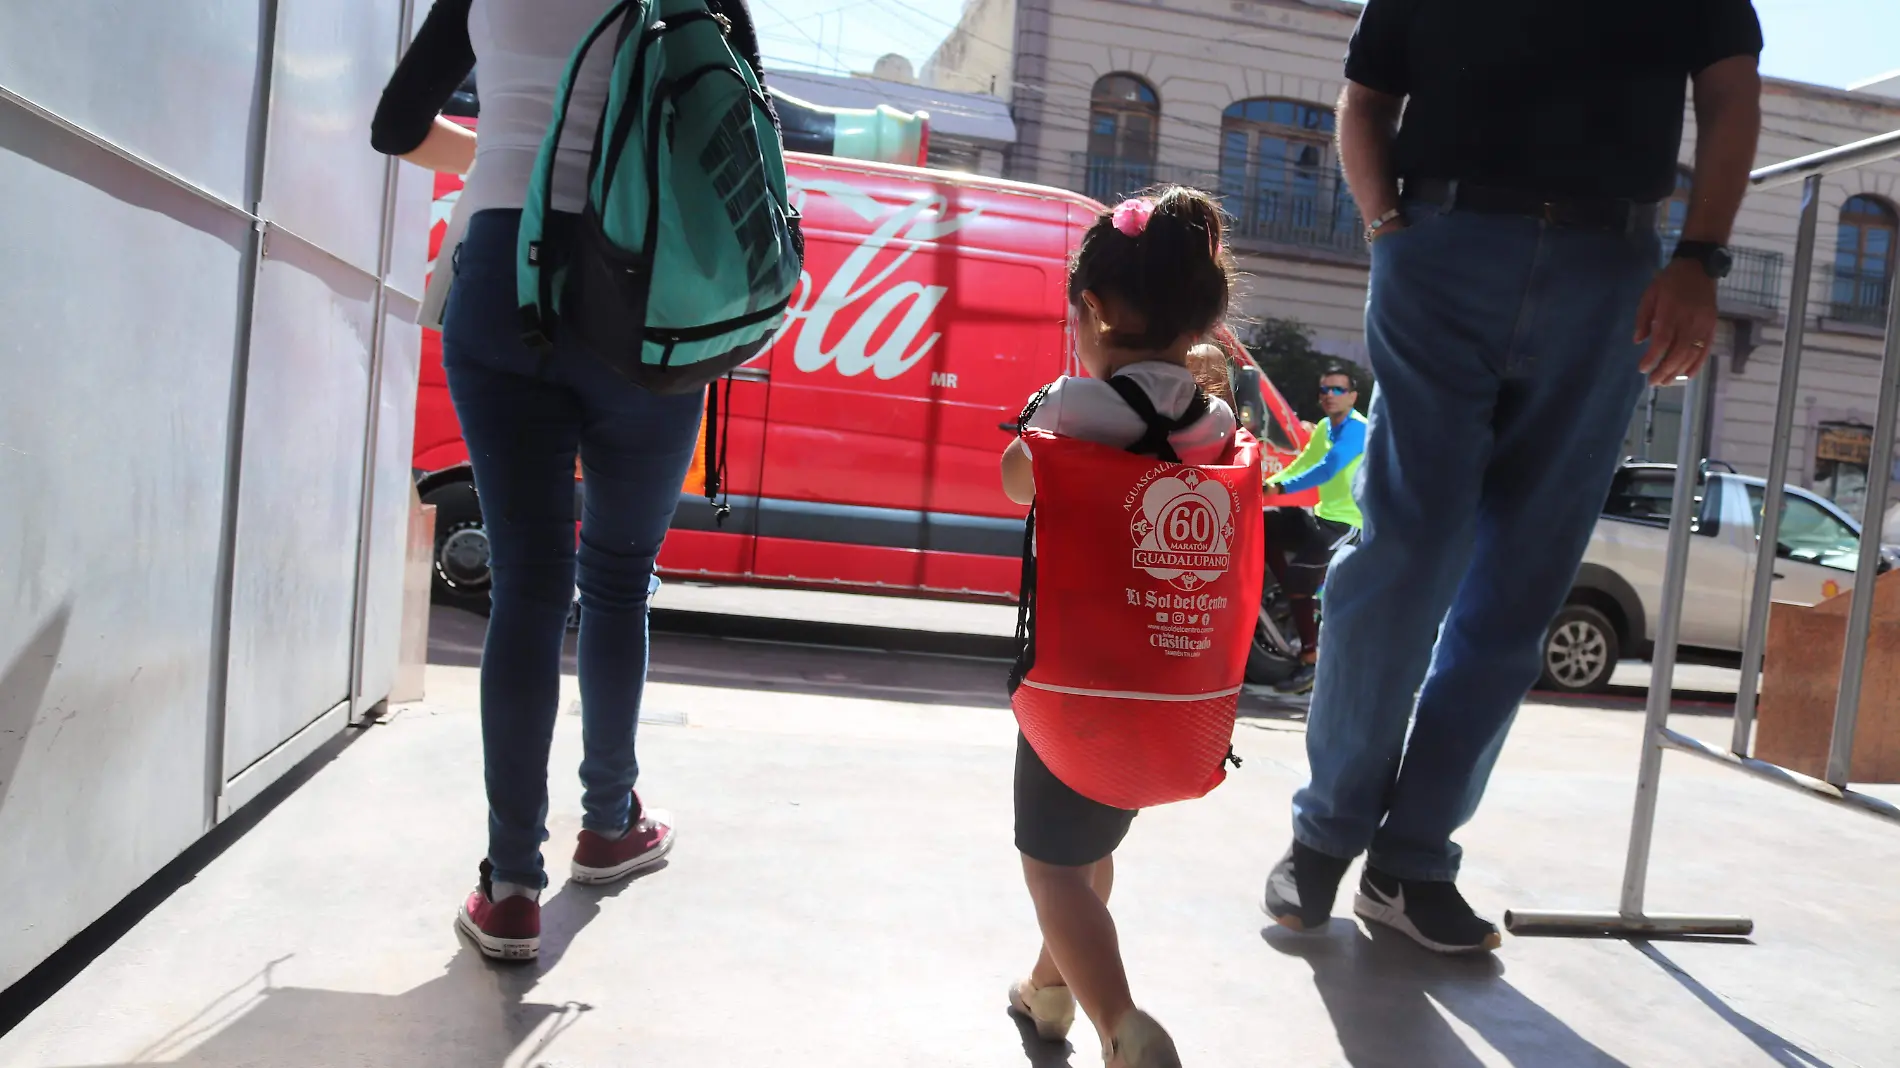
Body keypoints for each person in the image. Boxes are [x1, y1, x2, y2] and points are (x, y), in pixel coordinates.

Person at [1262, 0, 1763, 954]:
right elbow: (1363, 100)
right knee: (1405, 552)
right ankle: (1324, 834)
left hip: (1611, 271)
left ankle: (1411, 863)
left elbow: (1731, 94)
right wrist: (1386, 233)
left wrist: (1700, 258)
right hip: (1442, 252)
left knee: (1523, 585)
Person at [370, 0, 774, 962]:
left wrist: (513, 159)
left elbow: (396, 125)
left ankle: (510, 885)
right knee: (619, 579)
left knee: (526, 590)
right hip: (646, 286)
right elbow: (741, 135)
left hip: (501, 271)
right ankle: (608, 822)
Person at [999, 189, 1239, 1068]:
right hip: (1171, 689)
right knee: (1090, 843)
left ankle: (1121, 1025)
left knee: (1053, 866)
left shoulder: (1071, 408)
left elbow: (1016, 483)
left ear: (1093, 309)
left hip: (1076, 686)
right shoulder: (1217, 425)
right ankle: (1048, 995)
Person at [1261, 366, 1367, 694]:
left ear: (1353, 396)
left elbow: (1328, 468)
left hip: (1350, 525)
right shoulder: (1324, 426)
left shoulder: (1358, 429)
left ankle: (1310, 661)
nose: (1329, 396)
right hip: (1321, 518)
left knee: (1298, 578)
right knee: (1264, 525)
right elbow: (1305, 461)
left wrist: (1284, 488)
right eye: (1324, 390)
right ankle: (1293, 594)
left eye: (1337, 390)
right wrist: (1269, 484)